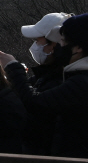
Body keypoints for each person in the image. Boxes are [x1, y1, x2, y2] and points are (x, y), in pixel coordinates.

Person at [0, 13, 88, 159]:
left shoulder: (84, 83)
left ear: (78, 47)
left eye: (63, 41)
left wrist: (13, 68)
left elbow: (35, 103)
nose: (59, 47)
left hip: (80, 162)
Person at [20, 12, 72, 155]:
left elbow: (33, 107)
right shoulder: (45, 76)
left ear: (54, 45)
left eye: (38, 40)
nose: (35, 45)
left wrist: (14, 72)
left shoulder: (63, 82)